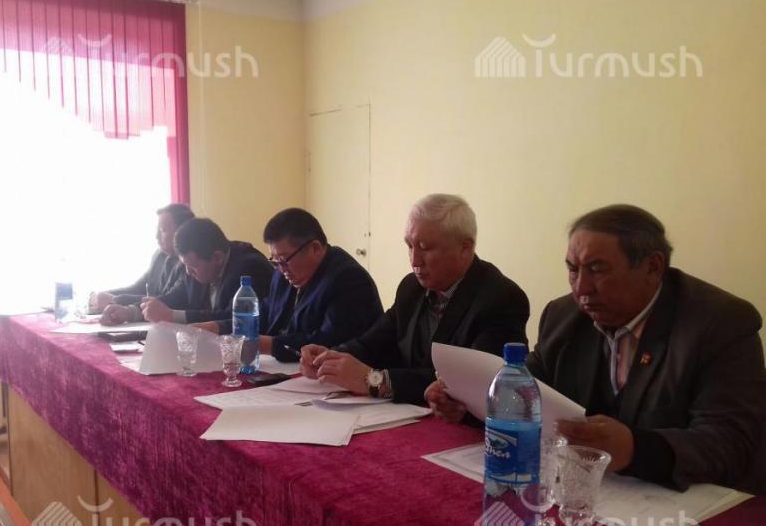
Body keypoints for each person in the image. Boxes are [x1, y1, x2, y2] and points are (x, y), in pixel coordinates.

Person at [431, 204, 765, 494]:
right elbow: (532, 390)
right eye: (572, 270)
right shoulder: (564, 316)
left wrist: (635, 449)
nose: (581, 288)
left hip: (693, 507)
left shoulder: (720, 323)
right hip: (592, 493)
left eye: (597, 270)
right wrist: (468, 404)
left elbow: (730, 441)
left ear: (653, 267)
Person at [300, 194, 530, 405]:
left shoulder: (501, 298)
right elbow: (373, 343)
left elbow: (472, 382)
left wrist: (374, 380)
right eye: (409, 246)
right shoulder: (411, 287)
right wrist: (329, 357)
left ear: (465, 248)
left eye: (424, 248)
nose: (414, 260)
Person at [209, 208, 384, 362]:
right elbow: (265, 314)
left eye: (284, 259)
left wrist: (267, 345)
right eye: (275, 261)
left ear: (315, 248)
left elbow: (329, 342)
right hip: (286, 370)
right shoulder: (283, 273)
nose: (281, 269)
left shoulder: (349, 279)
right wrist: (219, 328)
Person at [102, 217, 273, 325]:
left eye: (193, 267)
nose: (188, 272)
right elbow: (173, 299)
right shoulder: (194, 264)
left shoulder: (249, 267)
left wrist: (173, 316)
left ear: (218, 257)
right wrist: (129, 312)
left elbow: (234, 318)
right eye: (185, 265)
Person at [89, 203, 194, 315]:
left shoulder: (191, 264)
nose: (156, 236)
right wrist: (101, 295)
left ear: (181, 233)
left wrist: (114, 300)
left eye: (163, 230)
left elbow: (169, 301)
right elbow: (138, 288)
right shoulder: (160, 255)